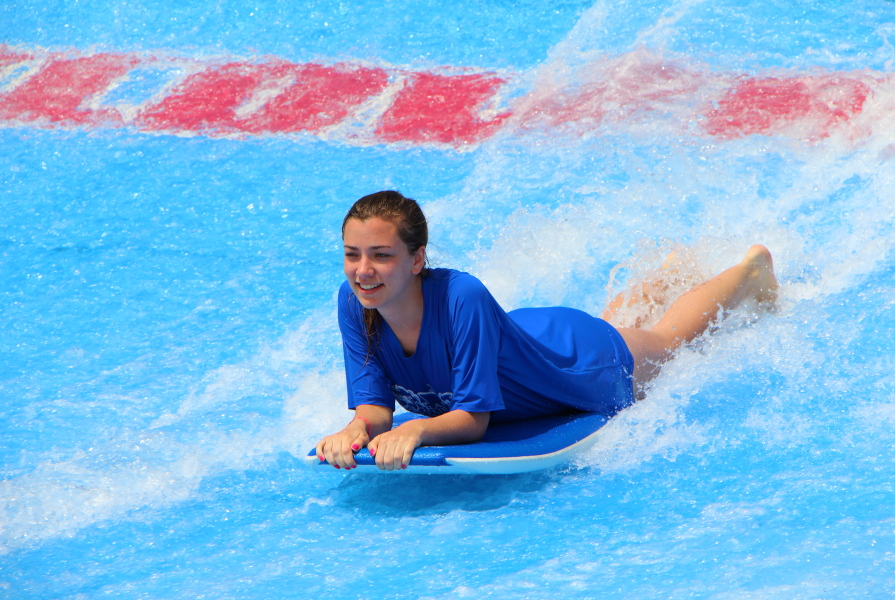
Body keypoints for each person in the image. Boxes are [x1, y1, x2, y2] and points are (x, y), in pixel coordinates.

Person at [315, 191, 778, 471]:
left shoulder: (463, 297)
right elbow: (375, 409)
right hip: (526, 338)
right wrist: (353, 431)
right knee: (622, 325)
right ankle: (662, 276)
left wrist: (416, 434)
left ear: (417, 260)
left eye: (382, 254)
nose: (363, 270)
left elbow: (472, 422)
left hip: (573, 360)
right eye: (352, 254)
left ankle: (748, 272)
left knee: (667, 342)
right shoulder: (354, 304)